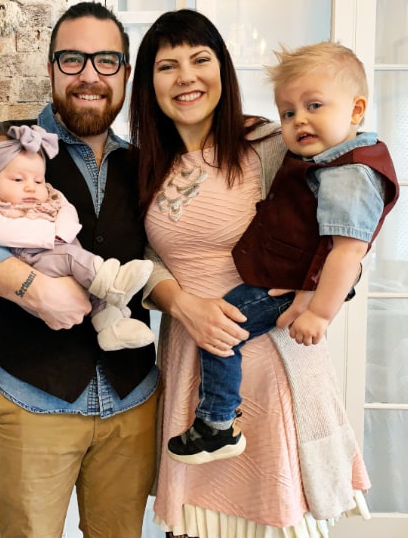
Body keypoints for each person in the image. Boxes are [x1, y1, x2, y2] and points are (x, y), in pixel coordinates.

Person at [0, 1, 159, 538]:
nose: (90, 75)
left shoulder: (147, 162)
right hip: (33, 402)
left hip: (133, 402)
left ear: (125, 74)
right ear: (50, 68)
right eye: (72, 59)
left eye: (106, 60)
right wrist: (32, 288)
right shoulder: (6, 146)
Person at [130, 9, 373, 538]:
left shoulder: (273, 144)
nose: (186, 77)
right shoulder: (143, 164)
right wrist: (181, 304)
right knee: (194, 527)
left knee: (276, 521)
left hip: (274, 361)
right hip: (190, 359)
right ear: (149, 83)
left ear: (224, 70)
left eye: (200, 59)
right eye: (167, 66)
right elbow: (140, 259)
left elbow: (343, 231)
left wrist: (320, 289)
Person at [166, 41, 399, 465]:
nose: (299, 120)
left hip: (293, 294)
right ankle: (217, 419)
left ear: (356, 109)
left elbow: (347, 252)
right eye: (289, 112)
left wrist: (317, 310)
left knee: (223, 327)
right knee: (223, 325)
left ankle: (217, 422)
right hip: (283, 280)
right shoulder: (319, 159)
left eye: (314, 105)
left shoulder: (349, 172)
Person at [0, 123, 155, 351]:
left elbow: (66, 210)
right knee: (71, 257)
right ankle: (113, 281)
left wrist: (62, 233)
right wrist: (49, 236)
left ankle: (111, 327)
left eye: (37, 180)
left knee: (90, 285)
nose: (30, 188)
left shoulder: (48, 193)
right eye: (18, 180)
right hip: (31, 259)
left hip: (63, 249)